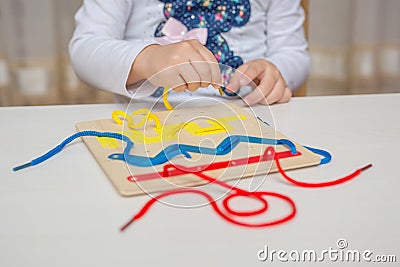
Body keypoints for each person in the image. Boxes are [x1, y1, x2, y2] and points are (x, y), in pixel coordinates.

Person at [69, 0, 310, 106]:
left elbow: (293, 53)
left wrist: (276, 72)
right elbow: (85, 49)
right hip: (145, 128)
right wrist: (147, 59)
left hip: (250, 123)